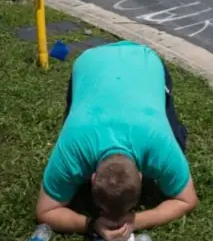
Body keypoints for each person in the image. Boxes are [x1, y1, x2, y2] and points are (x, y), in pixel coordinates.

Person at [35, 41, 198, 241]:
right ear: (139, 176)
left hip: (143, 61)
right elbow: (44, 211)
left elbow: (188, 200)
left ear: (94, 178)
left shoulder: (160, 142)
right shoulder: (73, 147)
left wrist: (134, 220)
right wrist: (92, 224)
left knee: (177, 140)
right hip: (91, 64)